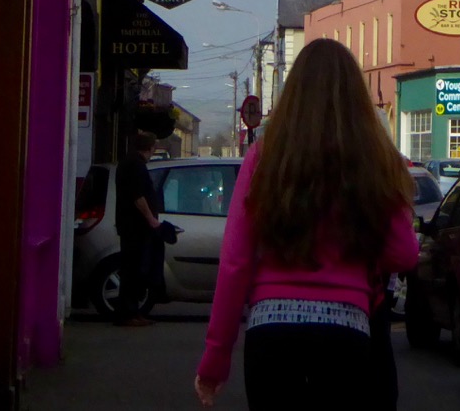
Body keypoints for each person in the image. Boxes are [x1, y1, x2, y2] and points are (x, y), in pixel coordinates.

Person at [194, 39, 419, 408]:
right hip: (346, 334)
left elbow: (235, 262)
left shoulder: (264, 159)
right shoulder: (373, 161)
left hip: (271, 334)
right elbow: (404, 254)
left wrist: (216, 358)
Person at [115, 129, 162, 327]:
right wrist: (151, 219)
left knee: (132, 269)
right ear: (149, 148)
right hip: (134, 226)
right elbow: (138, 196)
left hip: (131, 225)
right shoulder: (135, 165)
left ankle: (132, 311)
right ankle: (128, 314)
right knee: (132, 270)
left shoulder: (130, 163)